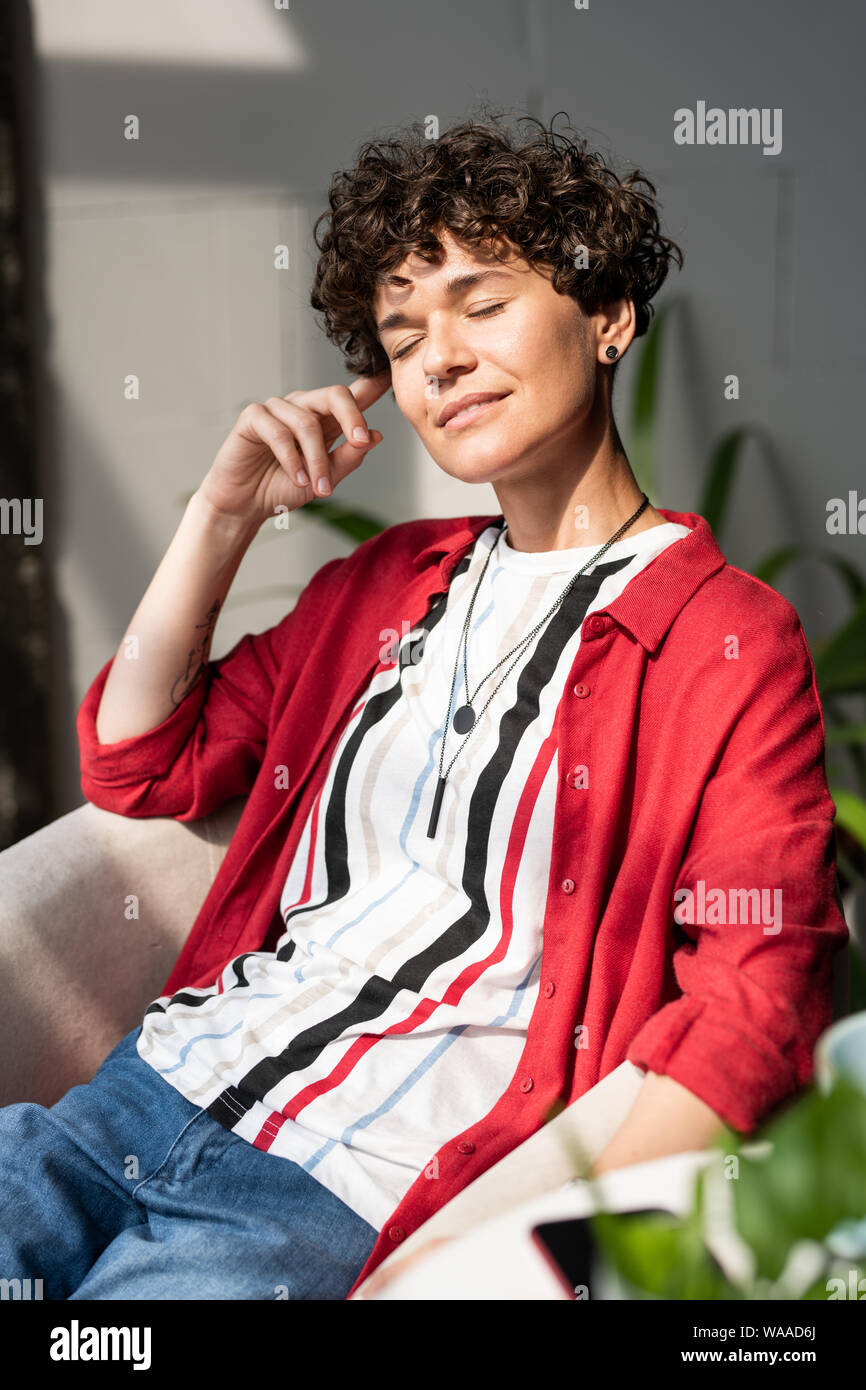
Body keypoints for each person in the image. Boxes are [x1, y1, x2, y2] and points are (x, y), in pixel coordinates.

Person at [0, 111, 848, 1301]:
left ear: (607, 317)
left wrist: (487, 1252)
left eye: (481, 303)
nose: (436, 357)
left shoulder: (721, 636)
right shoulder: (379, 582)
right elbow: (139, 764)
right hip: (122, 1107)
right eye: (402, 334)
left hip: (323, 1201)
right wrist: (224, 513)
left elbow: (757, 1002)